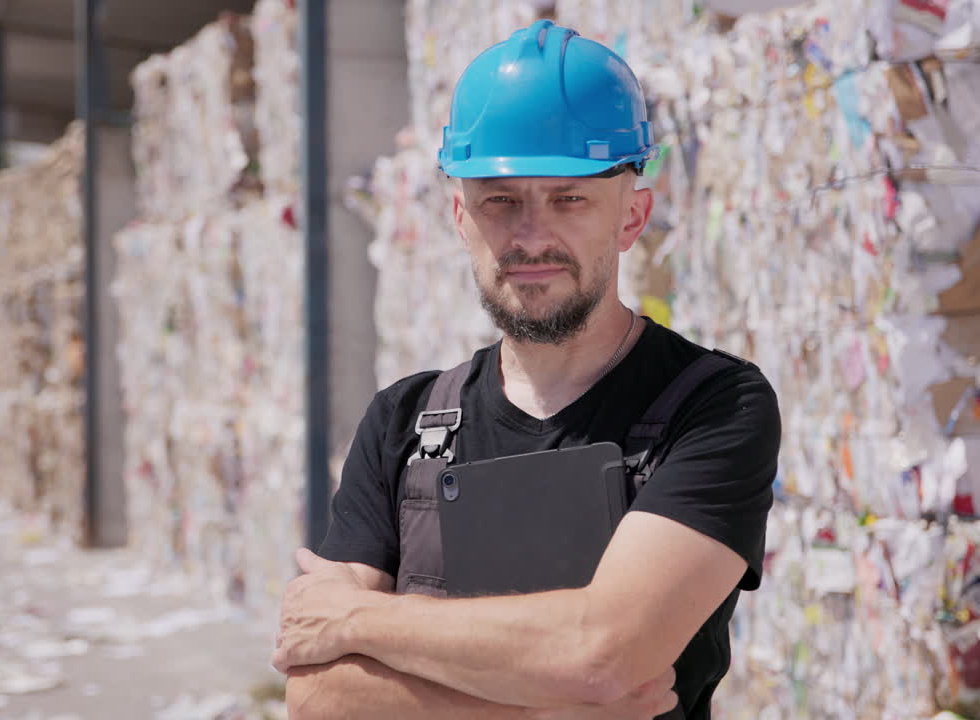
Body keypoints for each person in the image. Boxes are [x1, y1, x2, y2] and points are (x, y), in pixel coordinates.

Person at [274, 19, 780, 720]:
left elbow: (602, 653)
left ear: (631, 218)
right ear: (460, 215)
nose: (531, 235)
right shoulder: (402, 422)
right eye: (501, 201)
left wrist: (357, 621)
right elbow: (318, 696)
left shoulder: (715, 406)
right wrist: (550, 710)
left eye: (569, 199)